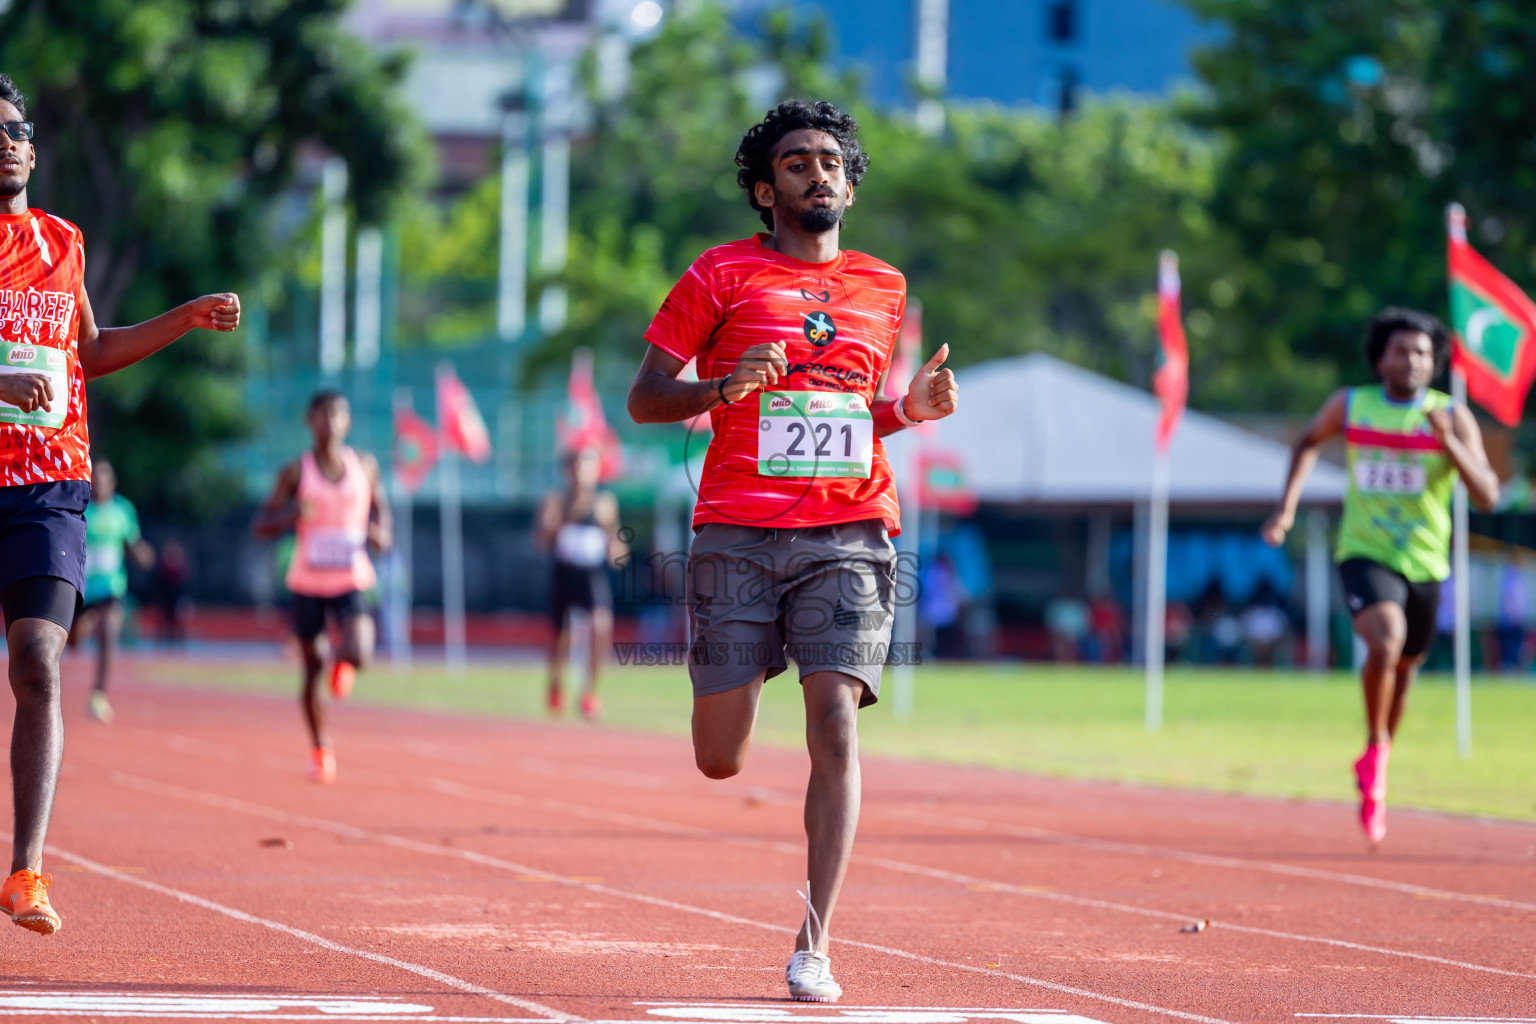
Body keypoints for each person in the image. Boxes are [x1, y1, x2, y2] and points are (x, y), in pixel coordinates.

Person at [627, 100, 958, 1002]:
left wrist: (907, 412)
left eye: (831, 161)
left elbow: (853, 419)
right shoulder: (720, 273)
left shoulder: (883, 287)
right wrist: (722, 385)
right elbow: (645, 398)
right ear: (766, 185)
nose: (819, 174)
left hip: (849, 531)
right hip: (736, 530)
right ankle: (753, 657)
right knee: (719, 756)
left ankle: (814, 941)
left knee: (837, 722)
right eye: (798, 162)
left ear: (850, 181)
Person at [0, 73, 240, 934]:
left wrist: (183, 317)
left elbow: (91, 349)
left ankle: (26, 871)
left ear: (33, 145)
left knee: (37, 659)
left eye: (16, 127)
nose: (8, 139)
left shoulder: (64, 242)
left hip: (50, 486)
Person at [1261, 307, 1498, 842]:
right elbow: (1306, 441)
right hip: (1365, 551)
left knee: (1407, 667)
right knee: (1385, 642)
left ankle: (1377, 759)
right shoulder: (1352, 405)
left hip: (1427, 561)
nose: (1411, 361)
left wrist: (1449, 442)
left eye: (1421, 353)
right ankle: (1374, 743)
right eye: (1400, 351)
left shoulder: (1451, 416)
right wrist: (1287, 508)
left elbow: (1486, 494)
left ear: (1434, 362)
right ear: (1380, 358)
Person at [252, 391, 391, 784]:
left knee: (361, 651)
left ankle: (343, 663)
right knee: (311, 670)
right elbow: (260, 524)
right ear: (310, 421)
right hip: (308, 582)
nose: (331, 422)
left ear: (347, 422)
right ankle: (321, 747)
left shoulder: (364, 465)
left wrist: (382, 532)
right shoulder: (296, 472)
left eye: (339, 415)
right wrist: (291, 514)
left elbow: (380, 506)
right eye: (324, 414)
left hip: (350, 577)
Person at [537, 447, 625, 721]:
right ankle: (555, 681)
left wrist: (616, 549)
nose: (581, 474)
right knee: (562, 635)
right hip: (565, 572)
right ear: (567, 471)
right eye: (576, 468)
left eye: (587, 467)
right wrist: (562, 519)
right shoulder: (555, 501)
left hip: (592, 573)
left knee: (601, 626)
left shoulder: (605, 502)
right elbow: (543, 539)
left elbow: (618, 544)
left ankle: (590, 692)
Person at [71, 459, 154, 724]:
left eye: (105, 480)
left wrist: (141, 554)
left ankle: (99, 696)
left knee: (108, 635)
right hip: (80, 588)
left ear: (113, 483)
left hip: (111, 587)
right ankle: (82, 624)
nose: (100, 484)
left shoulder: (123, 510)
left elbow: (130, 541)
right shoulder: (78, 507)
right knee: (71, 642)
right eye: (95, 479)